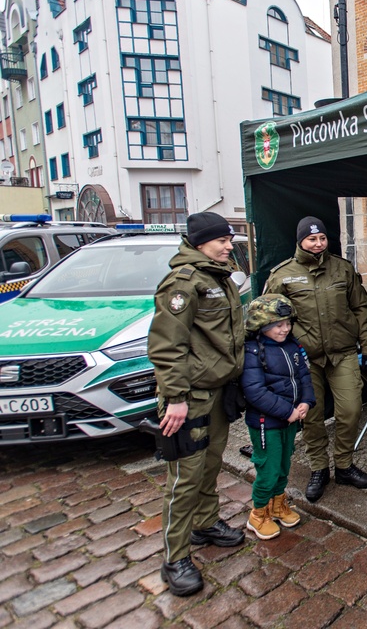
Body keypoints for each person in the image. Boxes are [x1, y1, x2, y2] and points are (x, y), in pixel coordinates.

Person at [148, 211, 246, 597]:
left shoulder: (217, 277)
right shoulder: (183, 283)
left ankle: (205, 523)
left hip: (217, 392)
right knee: (184, 478)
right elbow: (165, 347)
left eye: (229, 240)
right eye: (222, 240)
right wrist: (174, 398)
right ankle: (175, 558)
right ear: (201, 241)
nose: (228, 246)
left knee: (210, 465)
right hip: (189, 398)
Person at [265, 216, 367, 502]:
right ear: (300, 241)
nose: (318, 243)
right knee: (312, 417)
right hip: (304, 359)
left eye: (322, 238)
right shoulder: (282, 274)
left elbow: (360, 307)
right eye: (311, 239)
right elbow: (268, 318)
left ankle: (344, 465)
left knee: (350, 410)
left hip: (342, 354)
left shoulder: (342, 268)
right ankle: (318, 468)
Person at [241, 294, 315, 539]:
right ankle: (258, 514)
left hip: (289, 420)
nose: (285, 329)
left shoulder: (293, 346)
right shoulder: (252, 352)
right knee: (268, 468)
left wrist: (305, 401)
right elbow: (255, 391)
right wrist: (288, 411)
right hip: (267, 423)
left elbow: (304, 376)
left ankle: (278, 505)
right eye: (278, 325)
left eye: (287, 323)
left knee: (284, 465)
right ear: (261, 325)